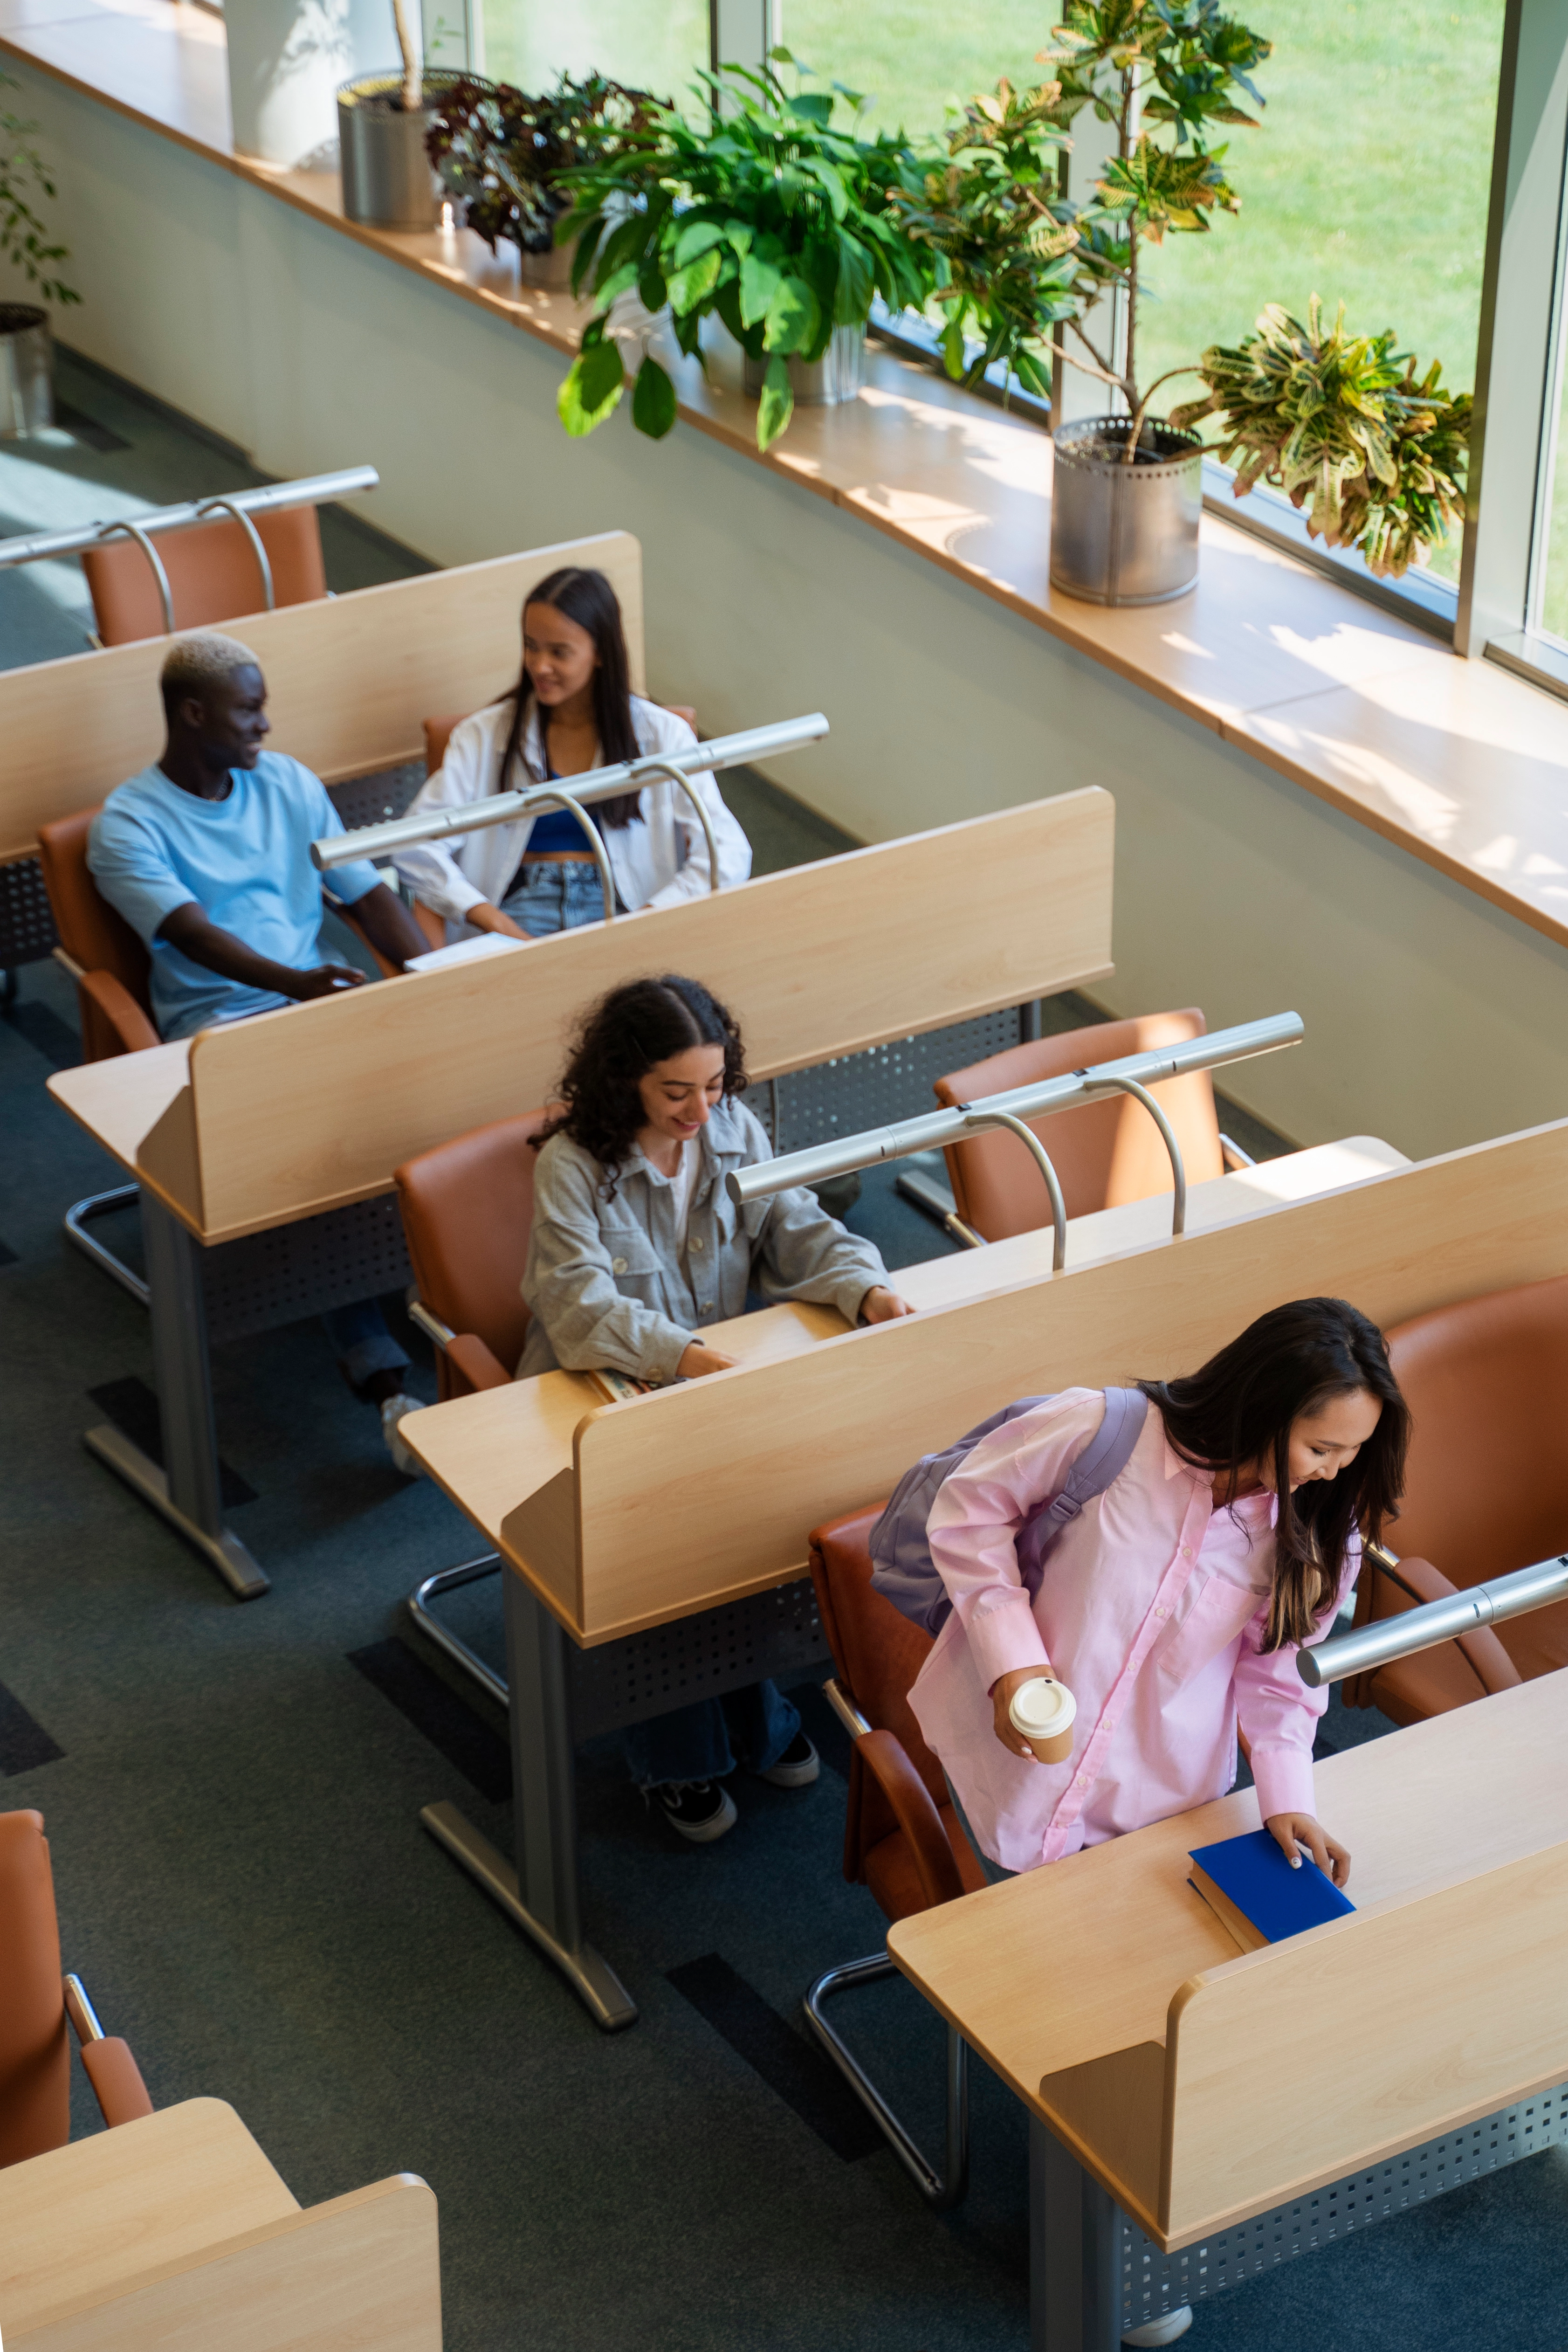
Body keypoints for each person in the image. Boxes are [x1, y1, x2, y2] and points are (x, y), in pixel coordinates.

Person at [908, 1297, 1408, 2352]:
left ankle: (1117, 2225)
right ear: (1261, 1403)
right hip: (1016, 1770)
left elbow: (1278, 1681)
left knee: (1136, 2029)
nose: (1329, 1468)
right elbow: (963, 1510)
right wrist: (1011, 1660)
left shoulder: (1319, 1520)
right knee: (1068, 2028)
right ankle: (1091, 2246)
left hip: (1156, 1802)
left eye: (1351, 1450)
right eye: (1319, 1442)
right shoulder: (1104, 1430)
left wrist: (1287, 1799)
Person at [521, 973, 916, 1842]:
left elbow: (796, 1227)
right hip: (605, 1388)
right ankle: (680, 1756)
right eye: (674, 1092)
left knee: (756, 1525)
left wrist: (866, 1290)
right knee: (664, 1553)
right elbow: (578, 1311)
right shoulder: (572, 1166)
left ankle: (757, 1713)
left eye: (712, 1085)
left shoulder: (730, 1126)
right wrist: (686, 1356)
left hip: (719, 1376)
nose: (699, 1111)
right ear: (624, 1078)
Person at [87, 630, 433, 1472]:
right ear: (193, 713)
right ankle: (381, 1373)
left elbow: (366, 891)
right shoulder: (127, 824)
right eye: (249, 709)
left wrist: (431, 976)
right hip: (223, 1030)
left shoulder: (287, 784)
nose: (266, 726)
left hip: (315, 997)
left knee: (443, 1091)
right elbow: (191, 935)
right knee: (323, 1134)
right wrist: (298, 985)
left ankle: (451, 1295)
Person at [391, 566, 750, 940]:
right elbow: (414, 845)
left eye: (559, 653)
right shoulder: (483, 735)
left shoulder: (663, 734)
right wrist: (492, 920)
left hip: (626, 908)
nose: (539, 666)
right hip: (522, 907)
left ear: (600, 653)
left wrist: (649, 918)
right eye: (531, 646)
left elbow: (727, 854)